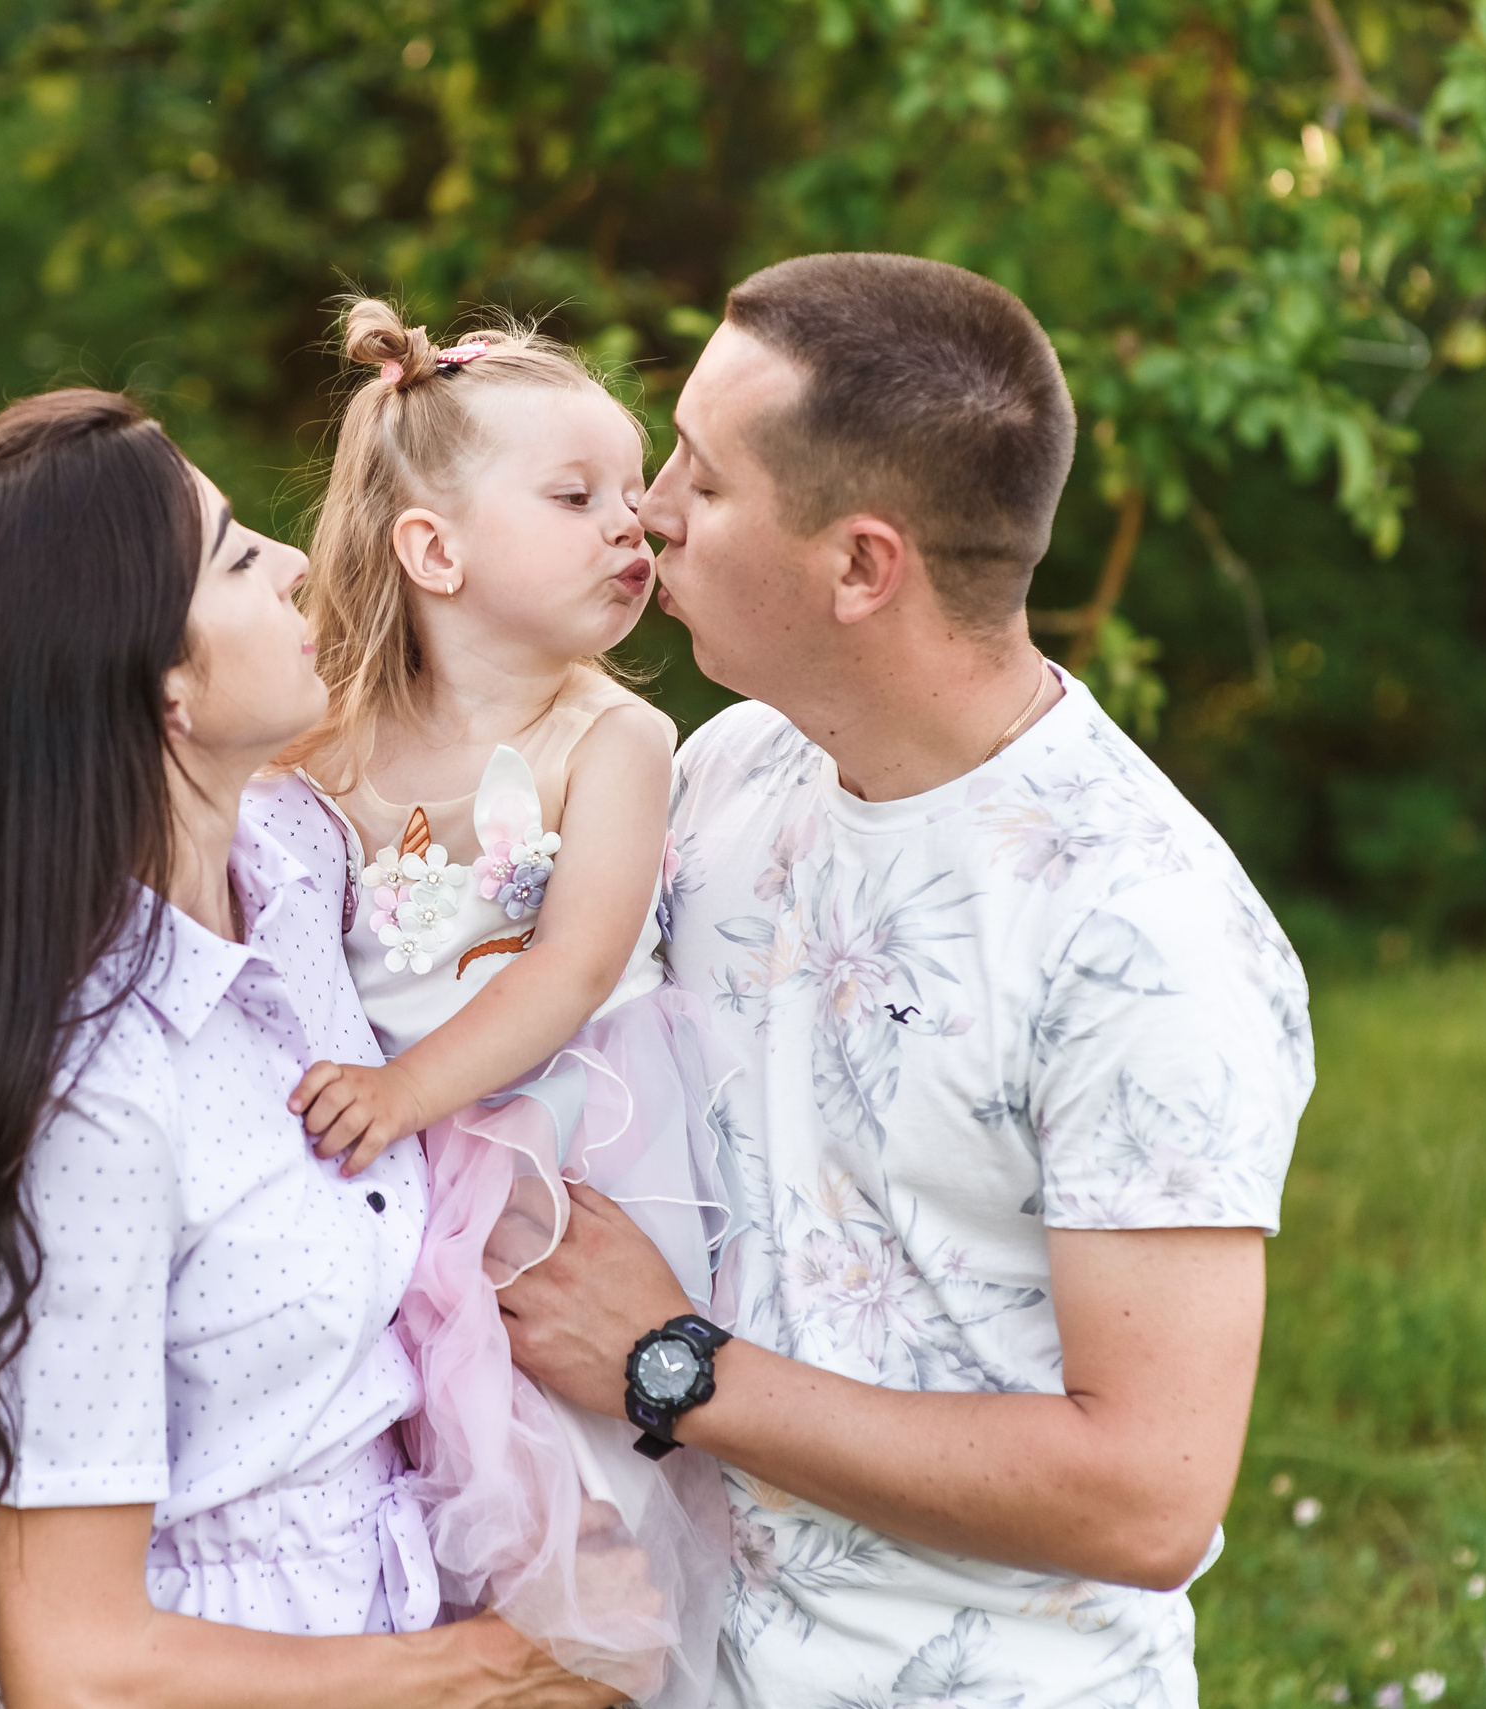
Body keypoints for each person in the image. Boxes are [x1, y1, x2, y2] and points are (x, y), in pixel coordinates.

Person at [498, 254, 1315, 1707]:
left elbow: (1150, 1493)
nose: (649, 509)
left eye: (704, 475)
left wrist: (670, 1364)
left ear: (862, 566)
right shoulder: (730, 772)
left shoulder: (1145, 938)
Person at [0, 389, 618, 1709]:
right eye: (234, 553)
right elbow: (82, 1667)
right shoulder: (93, 1103)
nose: (293, 565)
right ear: (160, 686)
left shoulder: (293, 862)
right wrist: (483, 1671)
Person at [279, 301, 737, 1709]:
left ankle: (593, 1662)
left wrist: (413, 1095)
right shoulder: (322, 744)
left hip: (565, 1153)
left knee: (573, 1480)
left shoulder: (612, 735)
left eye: (635, 489)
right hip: (388, 1166)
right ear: (435, 550)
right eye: (578, 495)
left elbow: (575, 963)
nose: (635, 525)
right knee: (418, 1471)